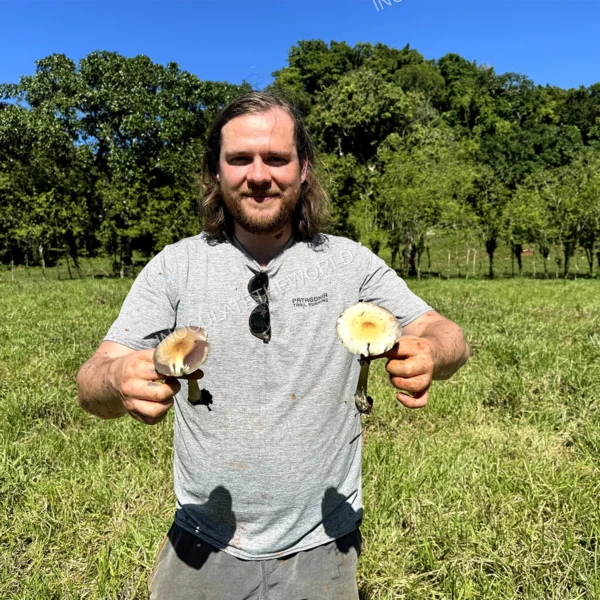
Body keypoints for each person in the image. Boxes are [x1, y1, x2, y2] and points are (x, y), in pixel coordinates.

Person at [76, 91, 470, 600]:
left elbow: (447, 333)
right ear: (215, 172)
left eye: (276, 159)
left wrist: (432, 353)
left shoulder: (349, 264)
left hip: (324, 543)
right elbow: (92, 381)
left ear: (303, 170)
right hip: (203, 540)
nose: (258, 175)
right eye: (239, 159)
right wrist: (116, 379)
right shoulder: (176, 267)